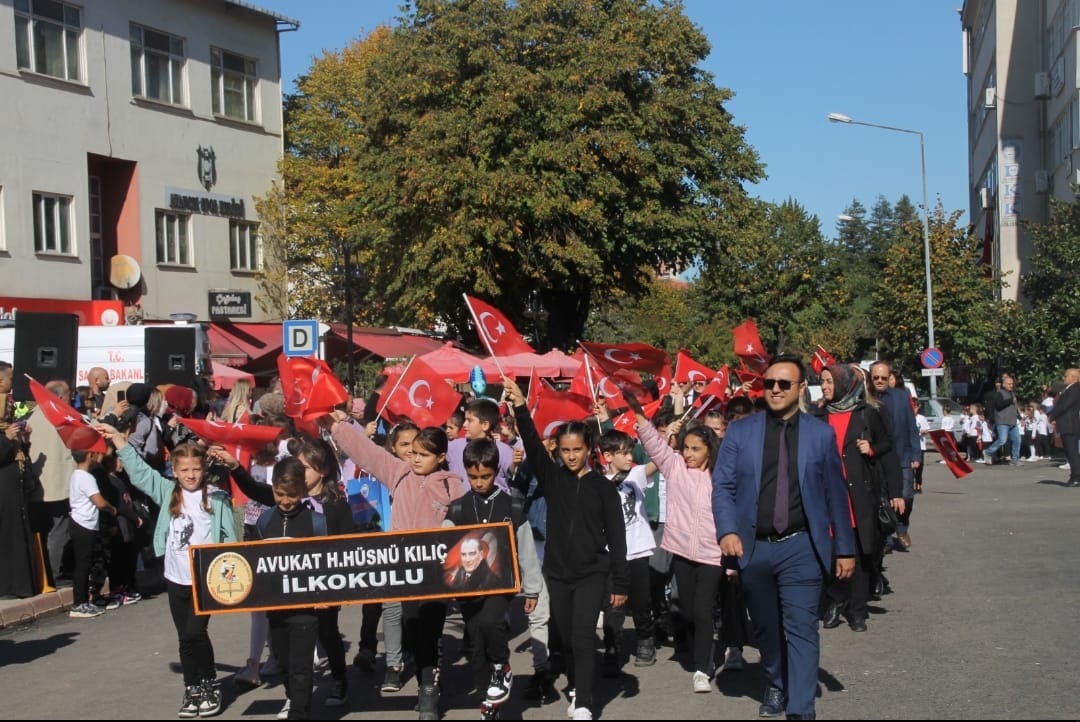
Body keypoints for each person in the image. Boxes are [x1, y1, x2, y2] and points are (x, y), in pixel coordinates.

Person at [711, 354, 855, 720]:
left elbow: (835, 494)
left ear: (800, 388)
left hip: (801, 545)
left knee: (802, 627)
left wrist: (844, 548)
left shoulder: (820, 434)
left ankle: (801, 708)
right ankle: (776, 680)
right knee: (766, 627)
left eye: (783, 384)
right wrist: (727, 530)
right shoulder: (741, 431)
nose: (774, 390)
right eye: (769, 383)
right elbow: (722, 487)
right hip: (753, 546)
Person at [325, 412, 465, 721]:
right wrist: (338, 426)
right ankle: (425, 673)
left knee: (429, 629)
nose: (415, 459)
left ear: (441, 457)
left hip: (436, 576)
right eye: (413, 452)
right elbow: (367, 452)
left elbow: (466, 526)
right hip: (403, 573)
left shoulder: (452, 487)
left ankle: (428, 690)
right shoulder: (399, 473)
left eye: (423, 455)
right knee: (412, 630)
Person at [503, 376, 628, 722]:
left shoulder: (603, 488)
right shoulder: (552, 479)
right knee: (568, 638)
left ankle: (585, 701)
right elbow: (530, 439)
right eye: (566, 450)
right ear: (557, 450)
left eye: (578, 450)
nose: (572, 456)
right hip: (557, 573)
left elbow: (617, 537)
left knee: (584, 634)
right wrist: (519, 406)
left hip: (592, 573)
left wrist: (620, 583)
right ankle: (575, 685)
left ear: (589, 450)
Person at [96, 423, 237, 719]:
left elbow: (230, 540)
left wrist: (228, 573)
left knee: (196, 632)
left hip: (204, 579)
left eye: (196, 469)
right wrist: (120, 440)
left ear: (204, 469)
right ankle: (192, 688)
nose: (190, 475)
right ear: (173, 469)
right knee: (184, 637)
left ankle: (210, 683)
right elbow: (141, 473)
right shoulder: (168, 491)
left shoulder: (216, 498)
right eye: (184, 470)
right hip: (176, 578)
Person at [443, 438, 543, 706]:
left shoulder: (511, 506)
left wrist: (532, 588)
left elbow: (526, 550)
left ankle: (502, 666)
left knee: (491, 621)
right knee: (476, 644)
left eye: (485, 476)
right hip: (468, 589)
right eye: (473, 476)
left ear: (497, 470)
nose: (479, 482)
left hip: (502, 585)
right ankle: (489, 701)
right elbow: (443, 547)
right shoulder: (458, 507)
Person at [815, 364, 904, 634]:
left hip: (860, 494)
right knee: (831, 553)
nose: (825, 386)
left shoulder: (867, 413)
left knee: (861, 552)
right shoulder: (818, 416)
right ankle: (835, 599)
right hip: (828, 495)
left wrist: (871, 449)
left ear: (844, 384)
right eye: (823, 381)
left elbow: (888, 445)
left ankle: (857, 611)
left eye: (830, 381)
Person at [250, 457, 328, 721]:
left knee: (302, 666)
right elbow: (254, 562)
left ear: (302, 491)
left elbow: (327, 562)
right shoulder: (263, 522)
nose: (285, 500)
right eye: (279, 494)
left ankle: (299, 711)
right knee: (283, 661)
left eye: (292, 495)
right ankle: (293, 697)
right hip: (276, 606)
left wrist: (323, 595)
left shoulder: (316, 522)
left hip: (307, 607)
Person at [597, 429, 657, 672]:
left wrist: (667, 437)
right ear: (607, 456)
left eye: (630, 451)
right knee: (613, 604)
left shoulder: (636, 474)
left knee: (642, 601)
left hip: (639, 549)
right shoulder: (597, 481)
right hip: (612, 553)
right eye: (622, 453)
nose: (629, 457)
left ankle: (646, 639)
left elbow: (659, 462)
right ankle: (613, 646)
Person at [26, 379, 78, 588]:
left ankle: (40, 575)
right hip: (59, 484)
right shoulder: (63, 416)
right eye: (68, 395)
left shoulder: (31, 416)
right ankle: (55, 574)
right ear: (60, 396)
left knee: (40, 532)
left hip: (36, 484)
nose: (71, 399)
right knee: (58, 532)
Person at [0, 362, 39, 600]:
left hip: (14, 486)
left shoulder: (8, 424)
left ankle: (21, 584)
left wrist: (21, 440)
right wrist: (6, 439)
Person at [66, 448, 118, 616]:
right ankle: (79, 603)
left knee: (85, 563)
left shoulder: (76, 474)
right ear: (89, 455)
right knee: (83, 564)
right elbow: (100, 502)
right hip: (83, 523)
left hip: (82, 522)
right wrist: (112, 509)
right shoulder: (86, 477)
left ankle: (83, 601)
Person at [1049, 368, 1080, 487]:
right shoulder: (1070, 389)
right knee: (1070, 452)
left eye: (1066, 376)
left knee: (1072, 452)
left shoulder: (1075, 389)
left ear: (1073, 377)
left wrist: (1052, 416)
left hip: (1070, 424)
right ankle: (1075, 476)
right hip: (1067, 424)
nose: (1064, 378)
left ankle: (1076, 477)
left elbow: (1064, 406)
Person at [982, 373, 1021, 466]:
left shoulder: (1012, 393)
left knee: (1017, 440)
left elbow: (1015, 406)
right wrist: (1010, 400)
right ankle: (987, 451)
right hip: (1002, 421)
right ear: (1003, 384)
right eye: (1008, 384)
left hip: (1012, 421)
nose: (1011, 385)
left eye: (1012, 384)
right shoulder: (999, 393)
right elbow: (999, 404)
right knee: (1002, 440)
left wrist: (1019, 416)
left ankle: (1015, 459)